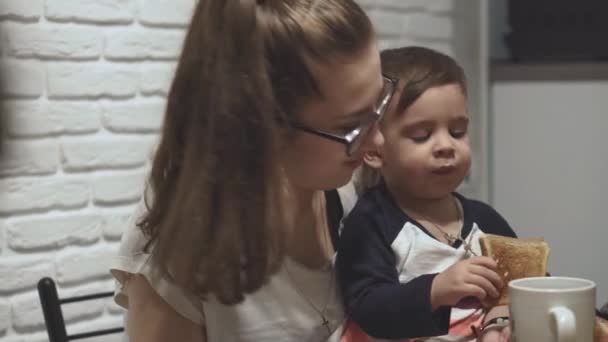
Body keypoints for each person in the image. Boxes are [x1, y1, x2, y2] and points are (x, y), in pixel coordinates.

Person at [110, 1, 397, 341]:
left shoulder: (348, 186)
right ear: (264, 128)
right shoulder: (180, 249)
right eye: (352, 127)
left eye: (379, 103)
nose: (377, 140)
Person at [336, 47, 515, 342]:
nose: (446, 145)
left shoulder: (485, 219)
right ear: (374, 150)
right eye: (421, 135)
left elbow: (527, 284)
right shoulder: (371, 222)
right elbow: (368, 307)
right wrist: (436, 289)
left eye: (457, 131)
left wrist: (500, 320)